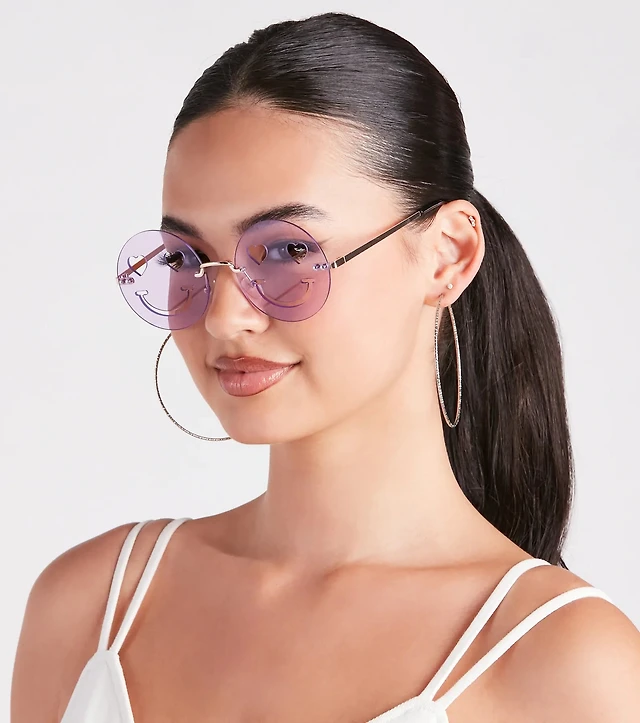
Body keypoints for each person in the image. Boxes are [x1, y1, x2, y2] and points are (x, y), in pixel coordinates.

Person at [11, 11, 640, 723]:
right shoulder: (93, 607)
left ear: (448, 256)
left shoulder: (563, 664)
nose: (223, 317)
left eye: (287, 250)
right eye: (188, 258)